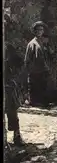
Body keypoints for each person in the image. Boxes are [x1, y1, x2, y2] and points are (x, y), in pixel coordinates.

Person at [4, 13, 26, 147]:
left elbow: (19, 62)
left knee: (12, 109)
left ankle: (17, 135)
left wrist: (14, 78)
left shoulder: (8, 46)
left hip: (7, 83)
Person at [24, 21, 50, 108]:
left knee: (42, 85)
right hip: (35, 69)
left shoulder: (42, 41)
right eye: (38, 30)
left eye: (41, 30)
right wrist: (29, 69)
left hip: (43, 68)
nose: (39, 31)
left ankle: (41, 101)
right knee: (34, 86)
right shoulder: (32, 43)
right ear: (35, 31)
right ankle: (33, 102)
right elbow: (27, 58)